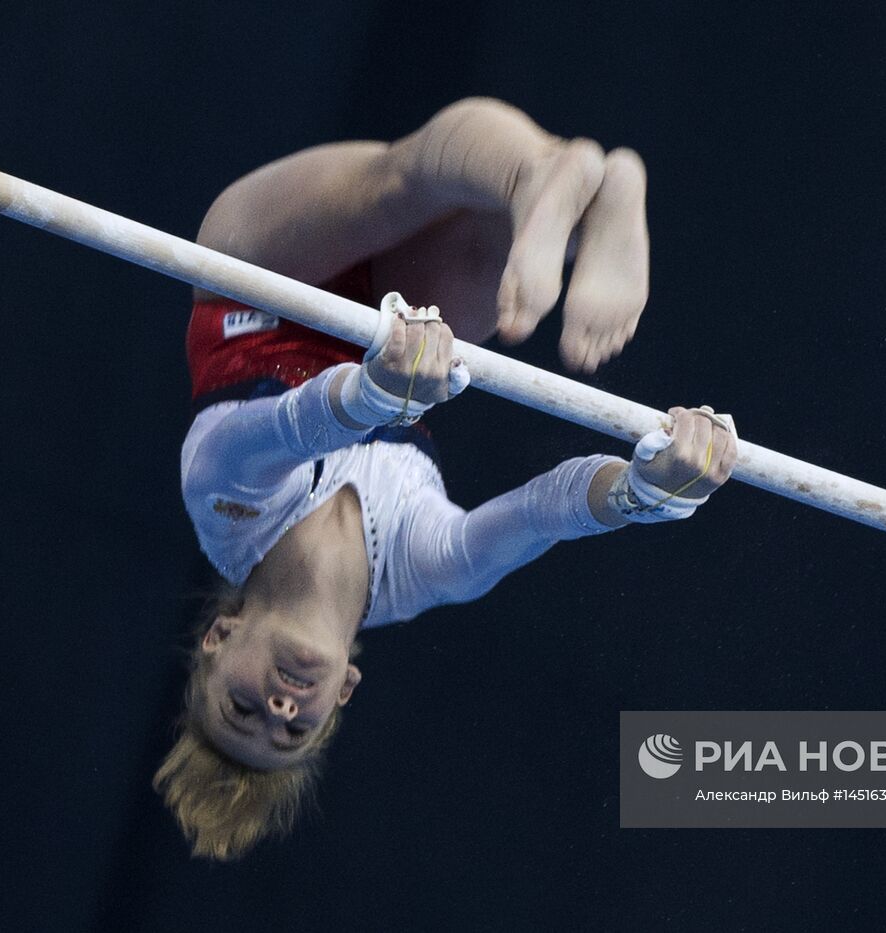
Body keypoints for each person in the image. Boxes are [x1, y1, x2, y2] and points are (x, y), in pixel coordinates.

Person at [153, 98, 738, 860]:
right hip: (406, 331)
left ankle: (552, 183)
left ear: (219, 636)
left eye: (242, 707)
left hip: (261, 284)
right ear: (345, 693)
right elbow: (550, 510)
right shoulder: (423, 573)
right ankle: (580, 192)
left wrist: (369, 395)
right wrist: (645, 487)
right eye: (296, 727)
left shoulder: (223, 509)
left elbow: (280, 429)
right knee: (493, 231)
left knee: (409, 177)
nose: (279, 703)